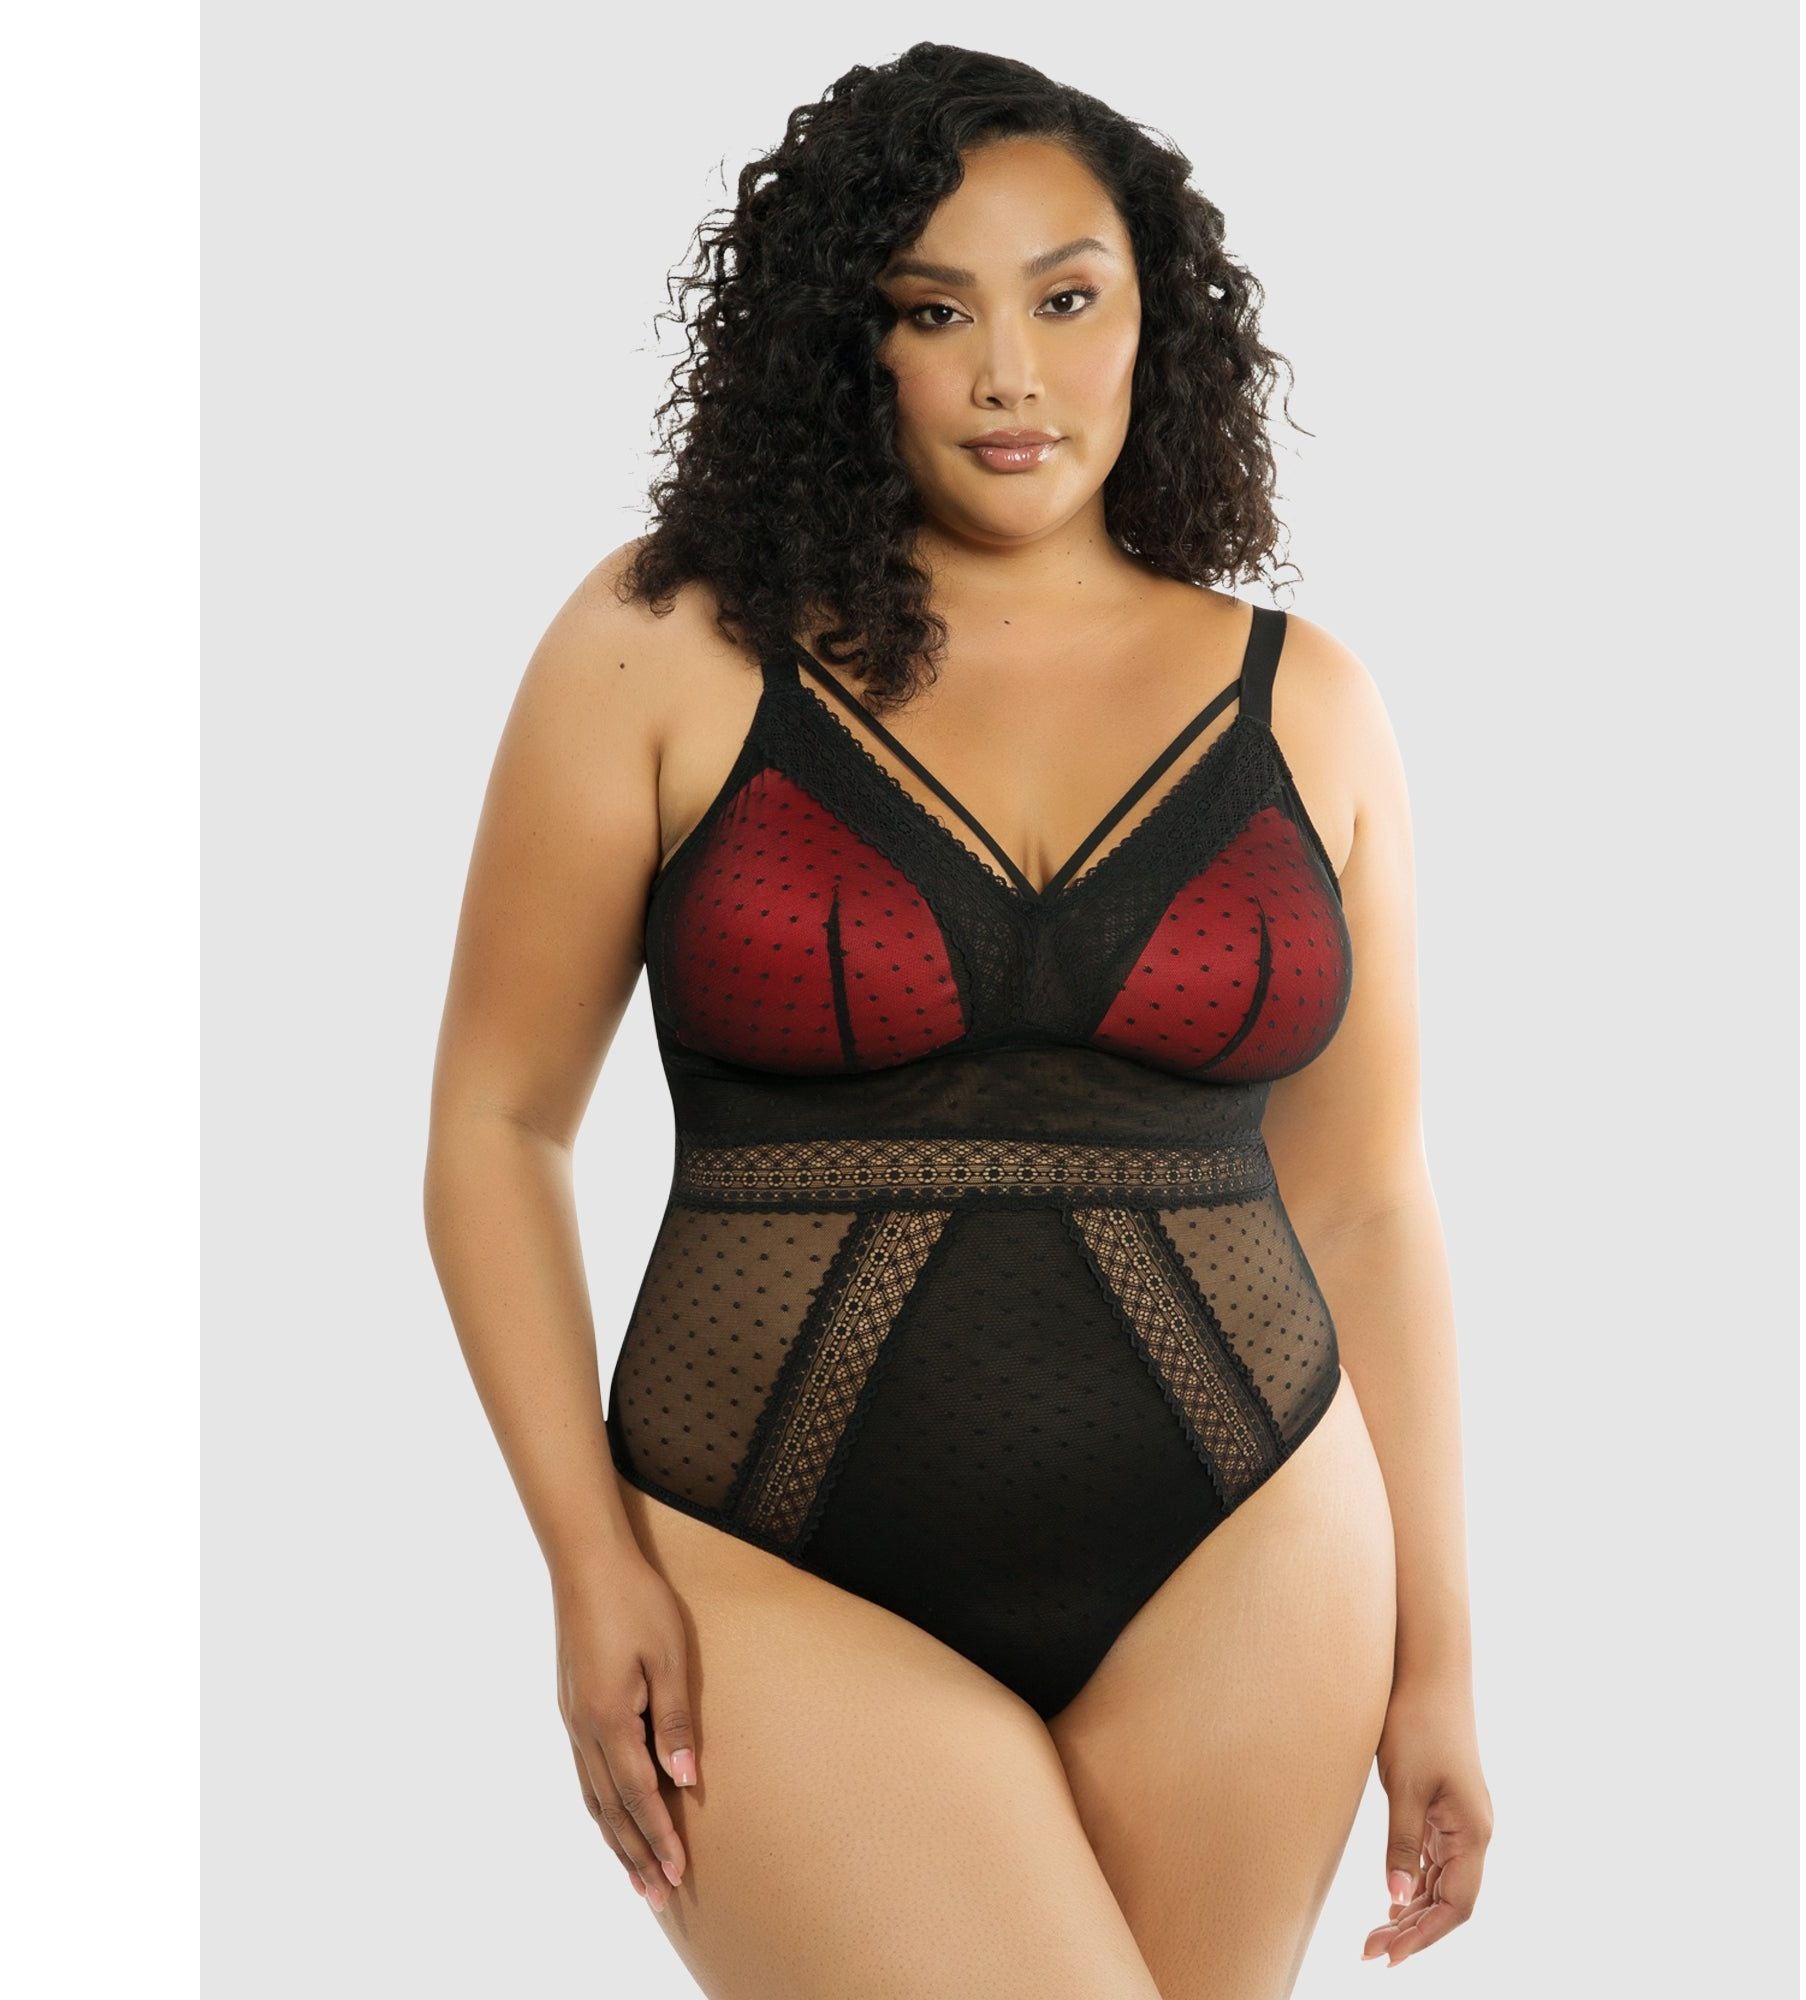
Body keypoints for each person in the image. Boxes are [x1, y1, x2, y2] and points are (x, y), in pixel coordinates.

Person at [424, 41, 1491, 1997]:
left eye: (1066, 300)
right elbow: (496, 1127)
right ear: (850, 347)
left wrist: (1443, 1662)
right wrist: (585, 1562)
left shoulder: (1310, 700)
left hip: (1250, 1543)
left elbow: (1367, 1201)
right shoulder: (663, 643)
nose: (1011, 373)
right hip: (765, 1557)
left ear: (1154, 319)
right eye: (935, 312)